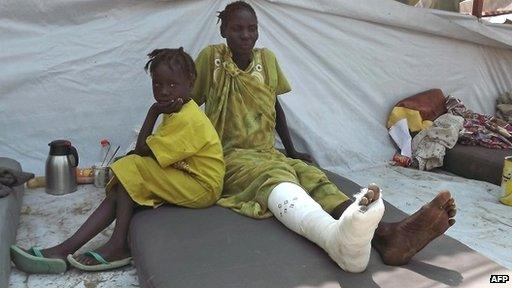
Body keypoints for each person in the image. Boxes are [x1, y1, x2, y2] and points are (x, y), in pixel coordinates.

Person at [191, 1, 457, 272]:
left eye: (252, 28)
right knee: (276, 179)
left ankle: (382, 234)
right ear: (223, 30)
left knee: (313, 177)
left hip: (266, 152)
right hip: (232, 157)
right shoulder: (211, 59)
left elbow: (273, 105)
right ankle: (357, 236)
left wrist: (291, 151)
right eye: (237, 29)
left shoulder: (267, 60)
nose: (246, 35)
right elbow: (189, 108)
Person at [10, 48, 225, 274]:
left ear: (190, 82)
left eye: (172, 85)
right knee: (124, 176)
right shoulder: (176, 112)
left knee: (129, 167)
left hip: (202, 186)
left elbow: (143, 150)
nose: (163, 92)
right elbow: (146, 152)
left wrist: (152, 112)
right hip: (186, 177)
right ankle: (64, 250)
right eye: (157, 84)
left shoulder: (188, 118)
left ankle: (117, 244)